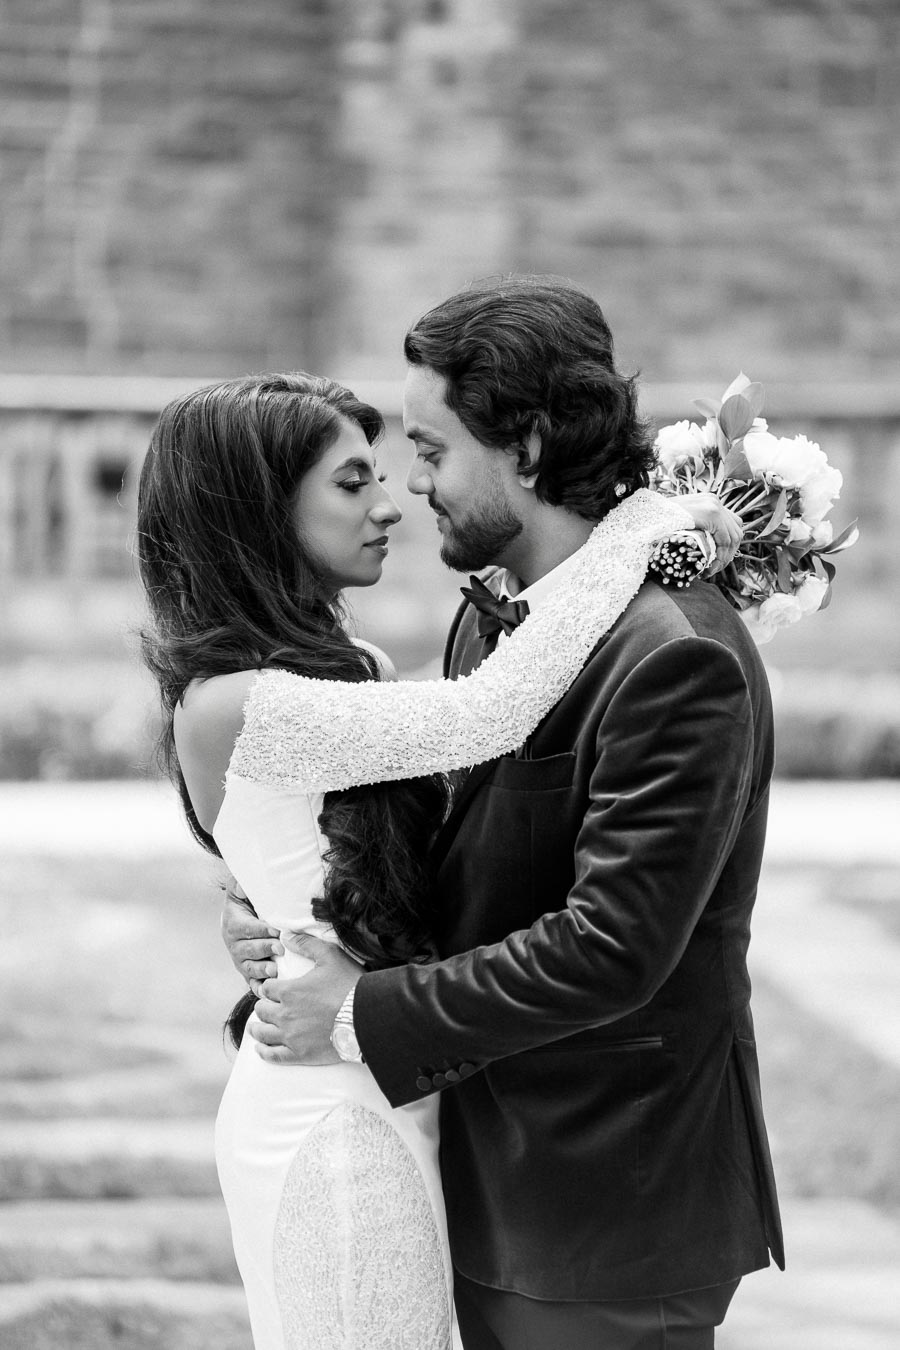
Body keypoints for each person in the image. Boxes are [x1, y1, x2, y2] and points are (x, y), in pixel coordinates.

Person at [224, 277, 784, 1350]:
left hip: (602, 1210)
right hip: (479, 1178)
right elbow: (464, 858)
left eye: (432, 449)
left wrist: (360, 1009)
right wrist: (288, 912)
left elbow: (611, 947)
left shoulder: (677, 655)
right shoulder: (496, 621)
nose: (412, 483)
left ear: (525, 446)